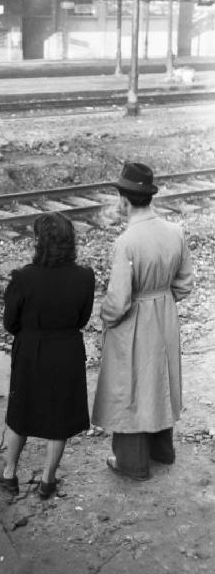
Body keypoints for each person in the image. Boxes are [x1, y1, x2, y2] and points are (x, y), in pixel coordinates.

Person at [92, 162, 194, 481]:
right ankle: (162, 451)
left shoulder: (127, 242)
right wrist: (161, 299)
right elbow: (185, 283)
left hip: (135, 318)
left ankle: (132, 463)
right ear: (149, 198)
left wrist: (103, 321)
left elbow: (119, 300)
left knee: (131, 386)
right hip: (164, 313)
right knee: (160, 377)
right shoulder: (175, 232)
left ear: (123, 200)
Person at [0, 212, 95, 499]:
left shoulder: (23, 278)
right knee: (60, 417)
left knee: (21, 414)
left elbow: (9, 324)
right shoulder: (84, 277)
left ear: (41, 243)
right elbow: (82, 319)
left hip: (31, 350)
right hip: (66, 350)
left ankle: (9, 474)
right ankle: (47, 480)